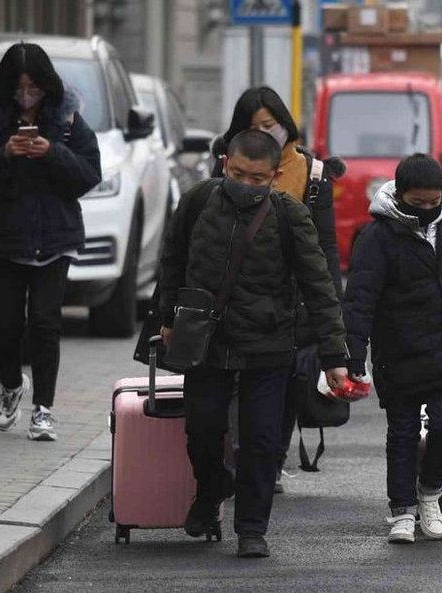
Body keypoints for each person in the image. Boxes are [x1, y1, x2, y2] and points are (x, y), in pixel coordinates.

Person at [158, 129, 348, 558]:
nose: (246, 184)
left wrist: (336, 358)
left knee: (261, 440)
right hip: (206, 342)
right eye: (238, 173)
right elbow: (172, 264)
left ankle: (251, 528)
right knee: (202, 428)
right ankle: (210, 492)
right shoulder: (198, 201)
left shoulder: (289, 215)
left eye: (257, 179)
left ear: (275, 176)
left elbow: (319, 287)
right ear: (225, 163)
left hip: (269, 344)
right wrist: (167, 319)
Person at [212, 87, 345, 491]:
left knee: (287, 383)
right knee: (234, 384)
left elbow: (325, 245)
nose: (265, 135)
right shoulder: (227, 166)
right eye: (254, 128)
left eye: (270, 125)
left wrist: (331, 310)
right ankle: (236, 462)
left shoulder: (312, 173)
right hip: (234, 293)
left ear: (286, 124)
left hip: (293, 299)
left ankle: (269, 463)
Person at [0, 42, 101, 442]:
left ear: (47, 86)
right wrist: (4, 154)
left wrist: (52, 153)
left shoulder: (67, 121)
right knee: (5, 325)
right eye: (19, 89)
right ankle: (11, 386)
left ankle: (44, 408)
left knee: (45, 323)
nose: (27, 97)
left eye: (34, 89)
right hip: (2, 241)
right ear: (7, 87)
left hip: (54, 239)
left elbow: (88, 174)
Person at [343, 154, 442, 544]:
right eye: (416, 203)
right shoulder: (377, 237)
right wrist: (352, 354)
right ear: (399, 195)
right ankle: (402, 510)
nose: (425, 210)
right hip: (397, 351)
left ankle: (430, 494)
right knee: (401, 433)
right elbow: (360, 299)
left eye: (432, 202)